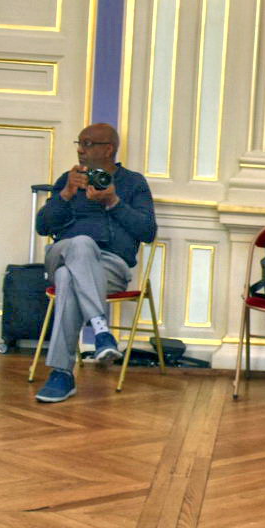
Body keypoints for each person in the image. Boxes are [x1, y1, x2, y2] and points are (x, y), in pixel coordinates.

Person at [32, 124, 156, 404]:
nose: (80, 149)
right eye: (79, 143)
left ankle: (61, 373)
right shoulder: (68, 179)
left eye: (87, 144)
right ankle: (101, 330)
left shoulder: (133, 183)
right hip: (62, 253)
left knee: (67, 278)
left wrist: (113, 201)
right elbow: (43, 227)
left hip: (109, 266)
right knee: (81, 243)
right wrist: (65, 194)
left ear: (108, 149)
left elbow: (147, 231)